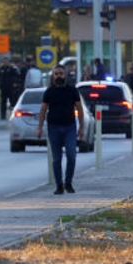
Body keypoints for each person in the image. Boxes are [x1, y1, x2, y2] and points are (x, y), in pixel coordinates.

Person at [37, 66, 83, 195]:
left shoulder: (72, 91)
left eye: (61, 74)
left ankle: (68, 182)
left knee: (71, 155)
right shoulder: (49, 92)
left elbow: (79, 109)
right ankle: (59, 185)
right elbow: (43, 110)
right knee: (57, 159)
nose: (58, 76)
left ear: (66, 75)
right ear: (53, 76)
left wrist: (82, 127)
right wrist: (40, 127)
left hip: (70, 127)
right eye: (56, 74)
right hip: (54, 128)